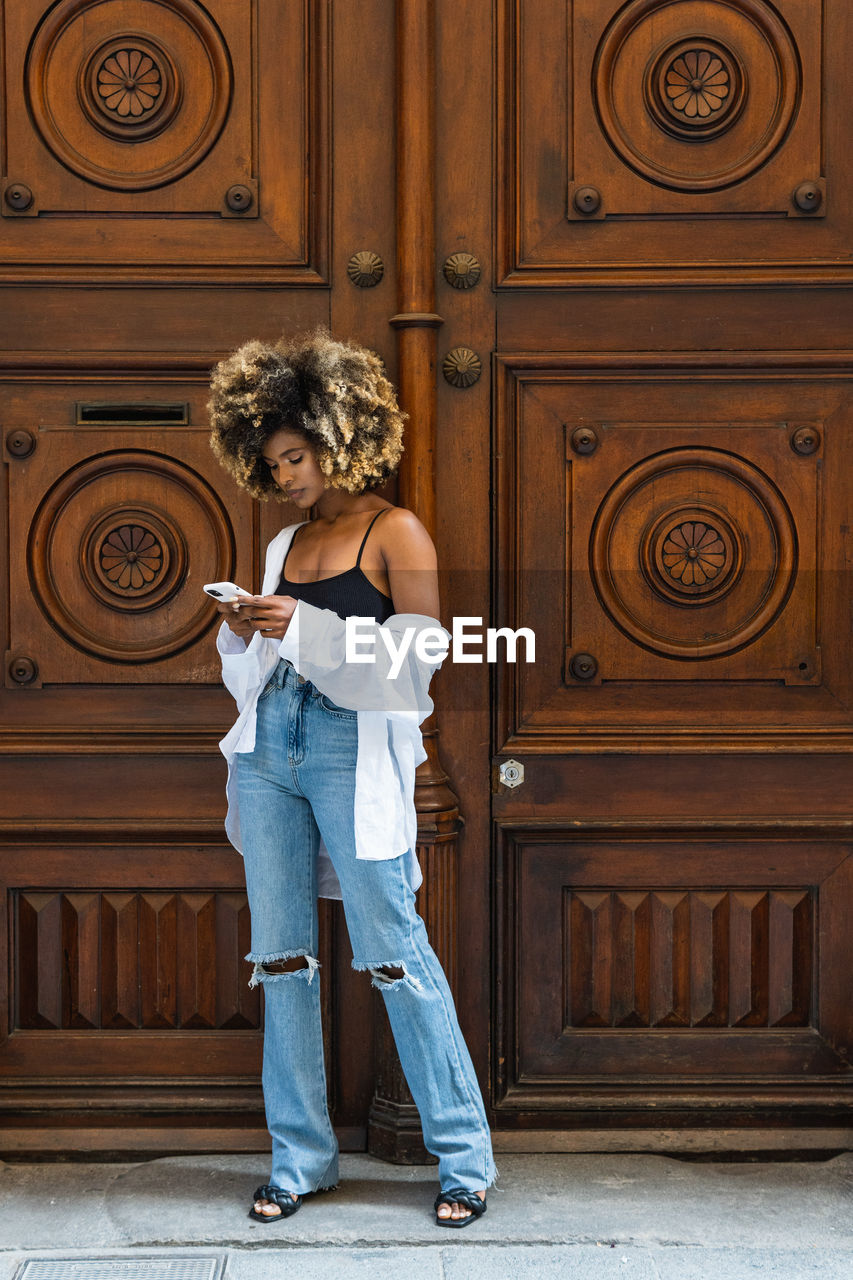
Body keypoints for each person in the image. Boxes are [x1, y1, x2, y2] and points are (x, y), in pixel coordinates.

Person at [208, 329, 497, 1228]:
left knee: (394, 952)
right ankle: (299, 1160)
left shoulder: (394, 530)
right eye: (272, 460)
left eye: (296, 455)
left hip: (349, 746)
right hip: (270, 747)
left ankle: (464, 1159)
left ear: (340, 435)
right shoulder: (285, 540)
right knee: (282, 956)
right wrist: (252, 629)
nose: (285, 474)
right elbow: (258, 664)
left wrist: (306, 625)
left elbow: (420, 664)